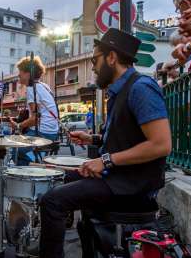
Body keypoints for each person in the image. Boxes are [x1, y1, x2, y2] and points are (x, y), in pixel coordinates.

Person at [38, 28, 172, 258]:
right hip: (118, 177)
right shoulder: (120, 91)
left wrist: (106, 160)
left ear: (112, 58)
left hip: (132, 185)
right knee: (55, 178)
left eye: (94, 59)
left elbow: (161, 144)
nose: (92, 66)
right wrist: (94, 139)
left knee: (52, 201)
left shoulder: (141, 88)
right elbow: (129, 138)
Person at [12, 56, 59, 165]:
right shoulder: (44, 86)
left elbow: (35, 119)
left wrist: (19, 126)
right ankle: (33, 166)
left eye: (21, 72)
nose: (18, 75)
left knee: (16, 150)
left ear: (28, 73)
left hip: (43, 133)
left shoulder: (31, 88)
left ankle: (30, 173)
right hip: (53, 132)